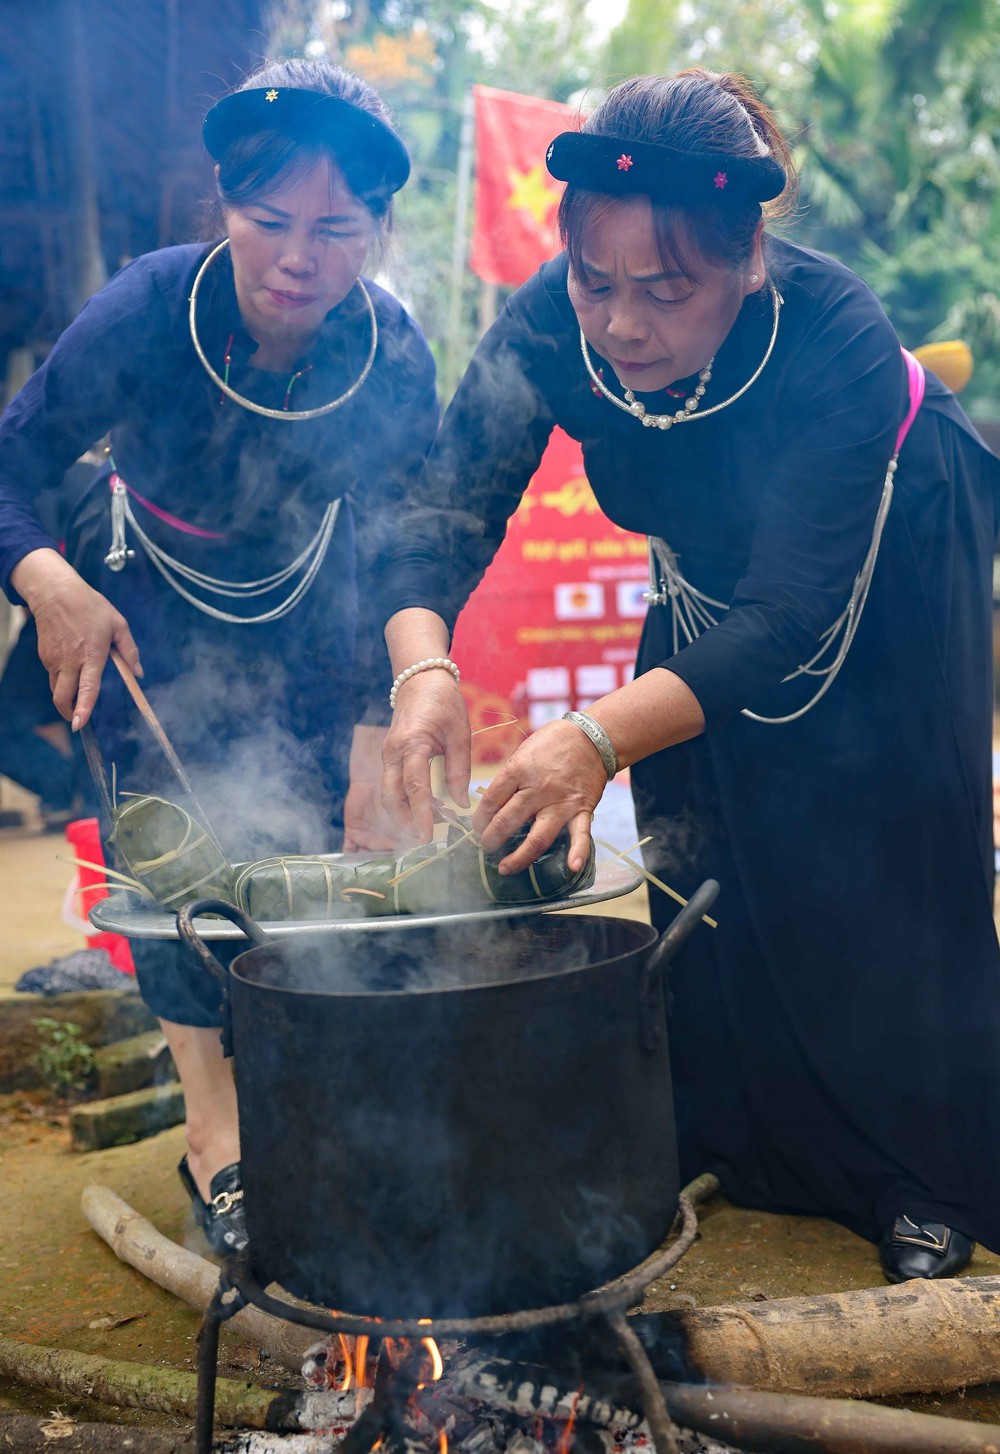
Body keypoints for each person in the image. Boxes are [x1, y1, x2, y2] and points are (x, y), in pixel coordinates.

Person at [376, 68, 1000, 1283]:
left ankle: (921, 1171)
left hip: (889, 557)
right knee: (698, 842)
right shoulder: (551, 321)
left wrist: (593, 738)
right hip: (708, 590)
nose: (620, 322)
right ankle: (730, 1130)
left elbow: (790, 610)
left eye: (668, 289)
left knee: (874, 855)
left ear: (748, 257)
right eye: (596, 281)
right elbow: (439, 507)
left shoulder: (835, 335)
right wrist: (423, 668)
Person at [0, 58, 439, 1252]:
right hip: (142, 611)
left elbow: (408, 541)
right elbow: (15, 464)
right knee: (178, 859)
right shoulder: (148, 310)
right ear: (223, 208)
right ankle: (214, 1129)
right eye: (270, 221)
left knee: (308, 859)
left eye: (339, 230)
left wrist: (382, 718)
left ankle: (307, 1096)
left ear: (377, 228)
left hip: (315, 619)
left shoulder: (390, 355)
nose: (300, 258)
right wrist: (50, 584)